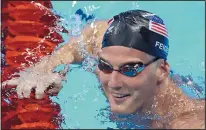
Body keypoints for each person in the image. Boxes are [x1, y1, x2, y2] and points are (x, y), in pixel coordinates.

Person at [3, 10, 205, 129]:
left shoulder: (185, 122)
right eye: (104, 66)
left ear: (162, 70)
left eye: (131, 69)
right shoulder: (110, 55)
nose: (114, 83)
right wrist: (45, 68)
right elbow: (90, 36)